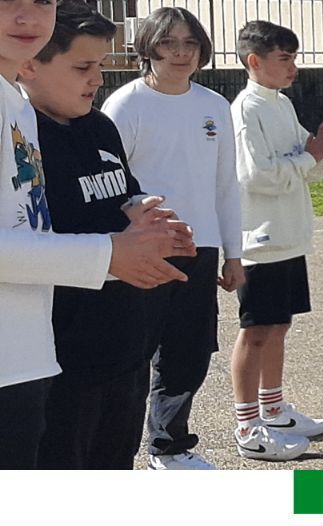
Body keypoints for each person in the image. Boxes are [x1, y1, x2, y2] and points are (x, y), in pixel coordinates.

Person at [16, 0, 194, 469]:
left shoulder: (98, 126)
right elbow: (29, 237)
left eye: (101, 65)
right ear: (30, 65)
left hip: (125, 343)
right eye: (83, 67)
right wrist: (113, 254)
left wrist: (153, 218)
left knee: (116, 462)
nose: (97, 79)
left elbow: (122, 194)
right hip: (63, 354)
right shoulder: (22, 136)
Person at [103, 7, 247, 470]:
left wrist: (233, 253)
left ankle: (168, 446)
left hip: (199, 250)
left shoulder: (214, 106)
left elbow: (225, 184)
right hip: (144, 250)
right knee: (133, 355)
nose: (180, 53)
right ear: (148, 48)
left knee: (189, 352)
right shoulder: (124, 105)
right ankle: (115, 452)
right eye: (168, 43)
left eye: (189, 43)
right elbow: (110, 184)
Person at [228, 19, 323, 461]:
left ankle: (273, 410)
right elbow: (254, 176)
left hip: (289, 236)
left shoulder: (281, 103)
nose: (293, 66)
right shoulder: (245, 109)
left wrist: (318, 152)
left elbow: (306, 165)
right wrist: (308, 156)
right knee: (255, 330)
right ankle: (247, 424)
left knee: (279, 325)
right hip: (261, 239)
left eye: (294, 57)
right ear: (254, 61)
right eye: (285, 58)